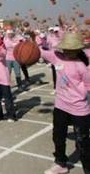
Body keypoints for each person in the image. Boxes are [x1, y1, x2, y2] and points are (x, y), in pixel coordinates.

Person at [40, 33, 90, 174]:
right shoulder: (57, 57)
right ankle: (61, 163)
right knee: (58, 136)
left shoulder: (82, 67)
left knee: (83, 142)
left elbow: (89, 88)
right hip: (61, 106)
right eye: (66, 48)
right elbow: (40, 51)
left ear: (77, 49)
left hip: (79, 108)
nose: (68, 51)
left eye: (72, 49)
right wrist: (30, 42)